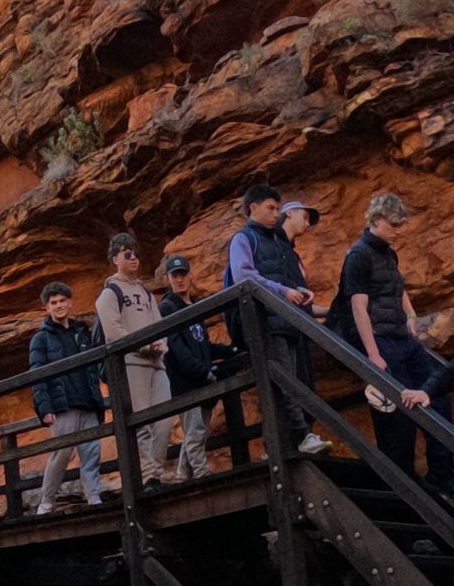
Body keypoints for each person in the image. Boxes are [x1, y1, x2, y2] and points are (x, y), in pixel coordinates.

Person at [333, 192, 451, 489]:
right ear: (376, 220)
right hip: (380, 338)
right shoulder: (358, 256)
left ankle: (442, 475)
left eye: (400, 225)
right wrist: (373, 354)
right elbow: (358, 307)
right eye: (393, 225)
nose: (397, 231)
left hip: (401, 336)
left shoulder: (388, 253)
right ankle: (404, 484)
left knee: (436, 396)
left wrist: (411, 316)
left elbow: (398, 287)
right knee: (399, 412)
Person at [225, 183, 327, 456]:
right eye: (271, 208)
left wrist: (299, 291)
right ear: (253, 208)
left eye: (278, 209)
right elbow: (244, 276)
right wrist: (284, 291)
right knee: (285, 380)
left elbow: (282, 278)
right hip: (264, 322)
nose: (275, 214)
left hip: (285, 321)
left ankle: (276, 446)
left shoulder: (277, 243)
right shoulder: (244, 238)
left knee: (289, 379)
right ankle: (301, 435)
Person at [95, 232, 176, 487]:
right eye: (127, 254)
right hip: (130, 364)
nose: (133, 258)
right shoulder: (110, 293)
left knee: (164, 421)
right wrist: (144, 345)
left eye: (136, 254)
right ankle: (149, 475)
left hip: (157, 364)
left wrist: (161, 344)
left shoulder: (146, 292)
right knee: (142, 423)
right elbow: (113, 332)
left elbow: (159, 325)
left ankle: (156, 472)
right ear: (115, 259)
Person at [27, 281, 104, 513]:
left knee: (91, 452)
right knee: (61, 454)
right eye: (54, 302)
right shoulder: (41, 339)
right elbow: (37, 375)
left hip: (88, 401)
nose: (59, 305)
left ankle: (94, 498)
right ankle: (46, 501)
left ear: (70, 303)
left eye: (62, 301)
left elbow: (95, 365)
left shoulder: (82, 332)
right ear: (47, 307)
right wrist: (44, 408)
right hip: (63, 406)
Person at [156, 254, 222, 480]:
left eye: (183, 274)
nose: (180, 279)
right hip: (185, 381)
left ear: (190, 275)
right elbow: (176, 348)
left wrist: (230, 350)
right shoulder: (166, 308)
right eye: (175, 275)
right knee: (195, 432)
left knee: (199, 432)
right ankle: (202, 474)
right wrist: (202, 371)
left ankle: (183, 473)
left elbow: (203, 344)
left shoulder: (194, 306)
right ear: (168, 278)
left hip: (202, 378)